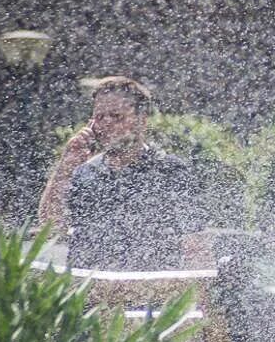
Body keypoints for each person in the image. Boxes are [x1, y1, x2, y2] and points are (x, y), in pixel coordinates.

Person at [38, 77, 216, 271]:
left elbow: (196, 247)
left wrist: (200, 297)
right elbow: (51, 224)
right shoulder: (86, 173)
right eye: (99, 117)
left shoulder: (170, 172)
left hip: (149, 295)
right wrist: (65, 167)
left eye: (116, 116)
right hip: (89, 296)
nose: (106, 124)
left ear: (142, 120)